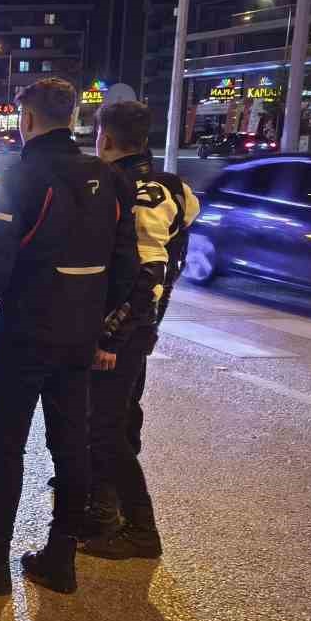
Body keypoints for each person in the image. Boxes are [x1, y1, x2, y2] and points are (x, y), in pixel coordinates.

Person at [0, 78, 138, 597]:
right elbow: (125, 267)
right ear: (72, 118)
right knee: (72, 447)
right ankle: (60, 558)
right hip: (78, 341)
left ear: (26, 119)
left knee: (5, 447)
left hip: (25, 336)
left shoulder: (21, 177)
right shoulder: (108, 179)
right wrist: (103, 330)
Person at [84, 101, 199, 561]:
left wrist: (111, 336)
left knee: (105, 428)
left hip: (125, 327)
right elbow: (178, 245)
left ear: (106, 139)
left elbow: (146, 269)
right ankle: (104, 504)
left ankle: (137, 527)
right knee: (122, 416)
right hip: (146, 324)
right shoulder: (175, 187)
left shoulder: (126, 190)